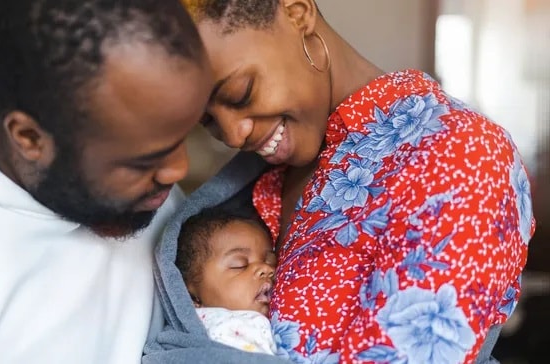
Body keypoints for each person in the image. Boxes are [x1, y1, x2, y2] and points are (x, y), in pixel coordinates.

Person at [146, 1, 535, 363]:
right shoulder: (272, 175)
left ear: (297, 13)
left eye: (240, 92)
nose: (233, 135)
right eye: (208, 121)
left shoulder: (462, 152)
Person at [0, 0, 213, 362]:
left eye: (181, 139)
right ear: (29, 138)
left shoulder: (139, 172)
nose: (178, 171)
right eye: (142, 161)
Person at [176, 208, 277, 355]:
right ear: (192, 295)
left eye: (271, 261)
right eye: (239, 265)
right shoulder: (227, 328)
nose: (266, 268)